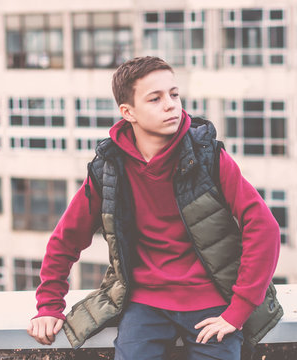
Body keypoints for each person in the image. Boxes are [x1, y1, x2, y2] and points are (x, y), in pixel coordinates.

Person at [27, 56, 283, 359]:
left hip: (211, 302)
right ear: (128, 112)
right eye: (155, 98)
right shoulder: (109, 170)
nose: (171, 105)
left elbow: (264, 227)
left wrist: (237, 310)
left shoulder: (208, 157)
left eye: (174, 94)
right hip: (145, 304)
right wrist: (48, 306)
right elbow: (66, 238)